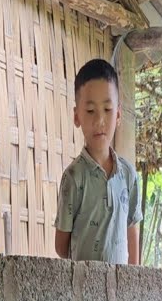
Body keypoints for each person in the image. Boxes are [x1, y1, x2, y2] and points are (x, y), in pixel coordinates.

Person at [54, 59, 142, 264]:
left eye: (108, 110)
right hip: (82, 291)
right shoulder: (73, 178)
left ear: (118, 114)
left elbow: (132, 236)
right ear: (77, 116)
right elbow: (61, 246)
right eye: (91, 111)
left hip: (120, 292)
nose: (100, 121)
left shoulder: (128, 175)